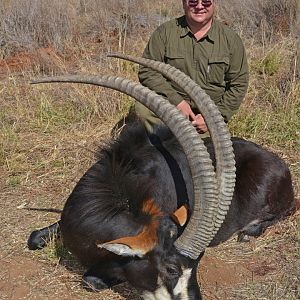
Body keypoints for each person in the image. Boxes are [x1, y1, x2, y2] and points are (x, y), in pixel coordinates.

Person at [136, 0, 249, 134]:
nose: (200, 6)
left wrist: (213, 118)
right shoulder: (165, 32)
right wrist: (177, 102)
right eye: (193, 1)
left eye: (206, 2)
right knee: (143, 108)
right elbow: (147, 70)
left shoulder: (231, 39)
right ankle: (165, 142)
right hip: (173, 107)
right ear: (184, 3)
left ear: (214, 3)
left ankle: (195, 137)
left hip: (208, 114)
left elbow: (238, 84)